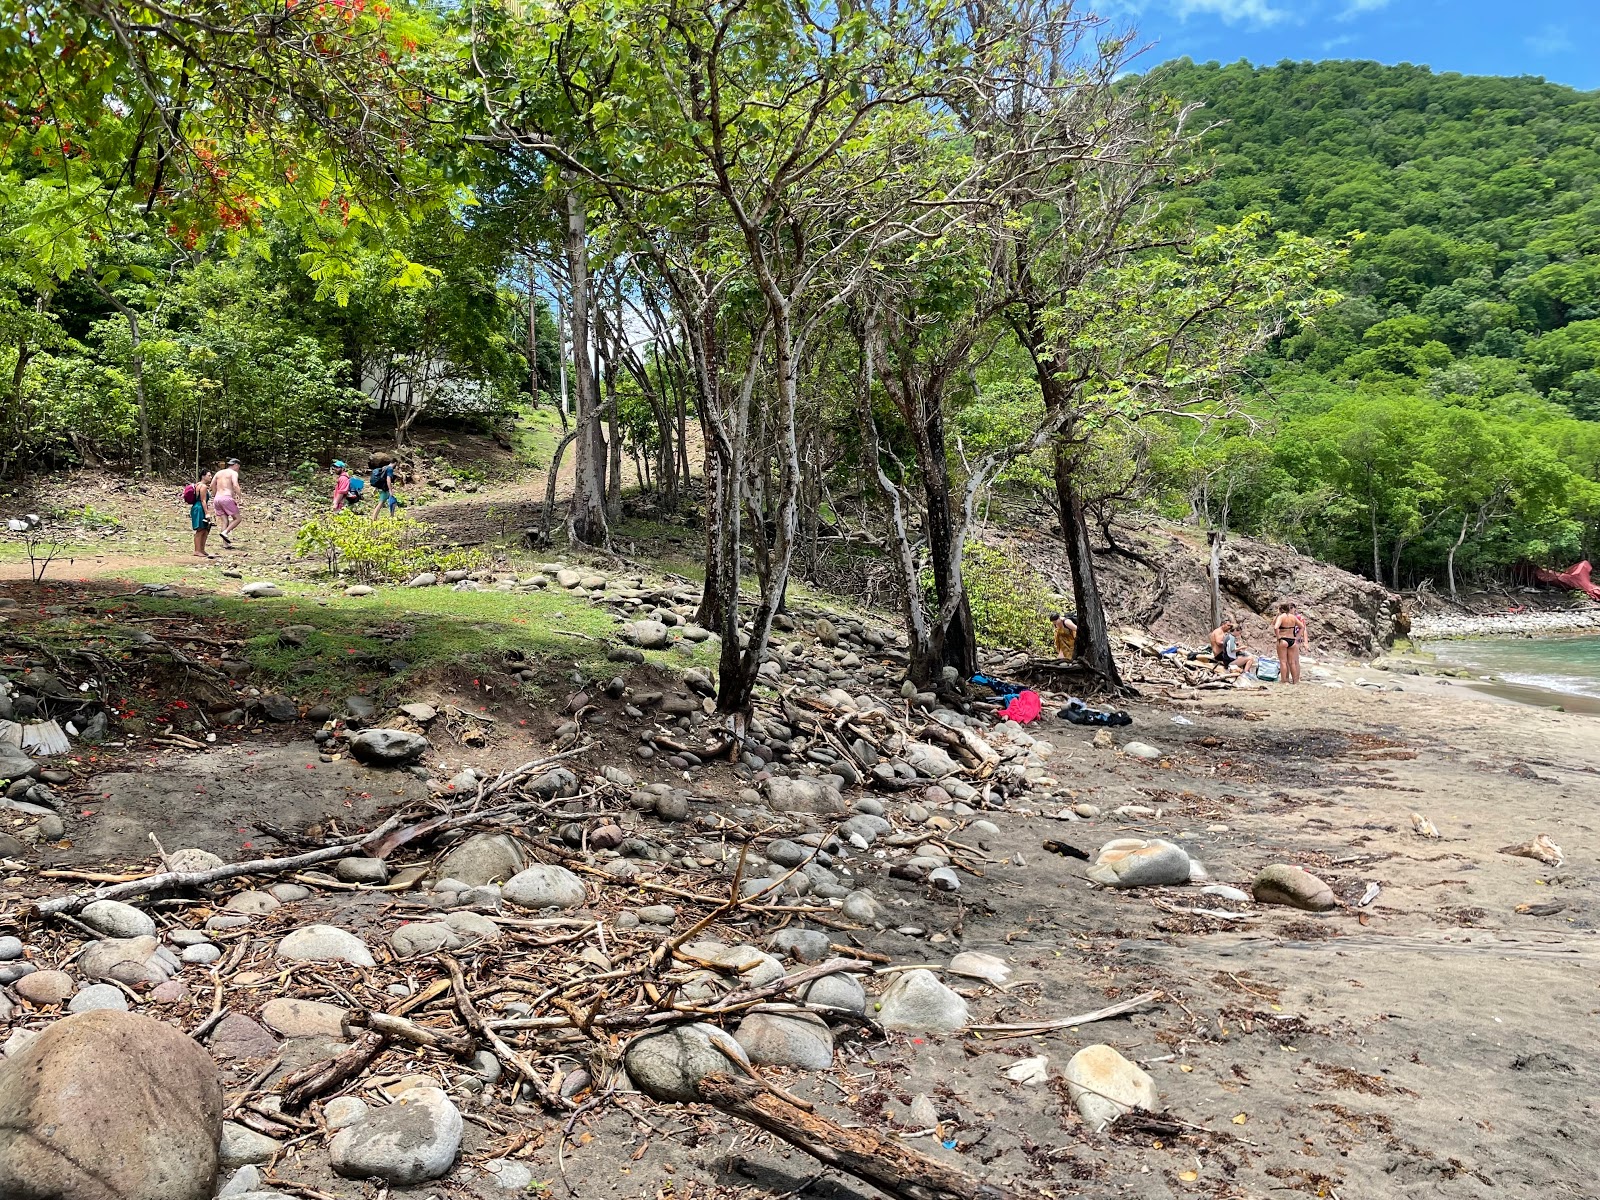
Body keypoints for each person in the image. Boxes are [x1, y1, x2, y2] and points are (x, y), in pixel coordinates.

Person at [212, 457, 242, 545]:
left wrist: (215, 494)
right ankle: (225, 532)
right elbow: (235, 485)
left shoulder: (219, 473)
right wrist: (240, 497)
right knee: (238, 518)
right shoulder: (233, 473)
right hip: (226, 498)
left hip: (217, 499)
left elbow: (212, 485)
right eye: (238, 467)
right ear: (236, 465)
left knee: (225, 521)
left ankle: (225, 544)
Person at [186, 469, 215, 558]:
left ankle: (202, 549)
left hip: (198, 507)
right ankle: (197, 550)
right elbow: (203, 500)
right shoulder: (203, 486)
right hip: (199, 508)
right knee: (200, 529)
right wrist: (207, 513)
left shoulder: (198, 485)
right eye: (209, 475)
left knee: (206, 529)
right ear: (203, 476)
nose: (210, 477)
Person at [1272, 602, 1303, 684]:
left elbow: (1275, 627)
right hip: (1292, 640)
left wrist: (1278, 637)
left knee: (1283, 661)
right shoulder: (1293, 617)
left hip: (1283, 639)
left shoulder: (1281, 617)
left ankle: (1284, 680)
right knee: (1292, 662)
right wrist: (1297, 637)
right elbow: (1302, 627)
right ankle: (1295, 681)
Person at [368, 452, 400, 520]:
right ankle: (374, 517)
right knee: (383, 503)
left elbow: (381, 477)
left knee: (390, 501)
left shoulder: (384, 467)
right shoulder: (390, 469)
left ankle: (389, 516)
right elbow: (388, 480)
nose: (396, 466)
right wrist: (390, 491)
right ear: (395, 463)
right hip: (384, 489)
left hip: (382, 487)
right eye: (396, 464)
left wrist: (376, 488)